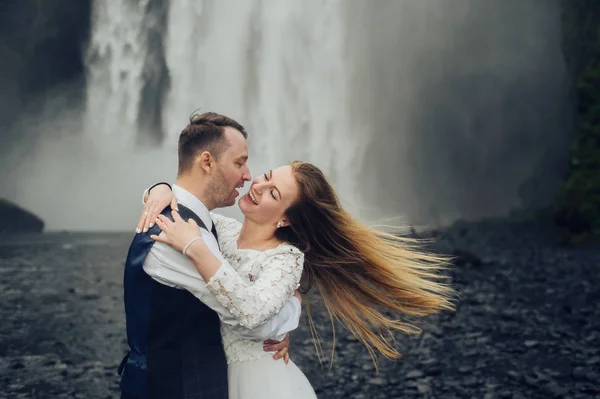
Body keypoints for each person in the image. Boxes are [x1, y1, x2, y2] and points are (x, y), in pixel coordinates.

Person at [142, 160, 456, 398]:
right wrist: (158, 188)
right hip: (216, 377)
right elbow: (182, 207)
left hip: (261, 384)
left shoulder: (286, 257)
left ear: (285, 218)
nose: (258, 187)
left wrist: (194, 248)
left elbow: (252, 312)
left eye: (273, 193)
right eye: (266, 178)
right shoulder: (221, 231)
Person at [119, 112, 300, 399]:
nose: (248, 176)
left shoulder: (205, 225)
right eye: (239, 162)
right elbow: (251, 321)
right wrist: (290, 311)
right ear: (207, 162)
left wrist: (158, 187)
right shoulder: (176, 237)